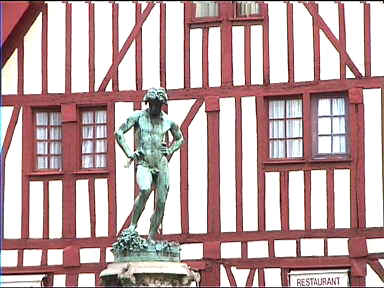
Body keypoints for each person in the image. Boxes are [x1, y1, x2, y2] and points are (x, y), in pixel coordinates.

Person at [115, 87, 184, 241]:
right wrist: (129, 153)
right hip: (144, 162)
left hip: (161, 164)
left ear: (162, 105)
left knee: (161, 201)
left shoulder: (168, 121)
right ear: (148, 103)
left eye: (158, 105)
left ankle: (151, 237)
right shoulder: (138, 117)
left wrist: (171, 149)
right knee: (145, 189)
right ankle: (133, 225)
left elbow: (180, 138)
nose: (155, 108)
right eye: (152, 104)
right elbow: (119, 133)